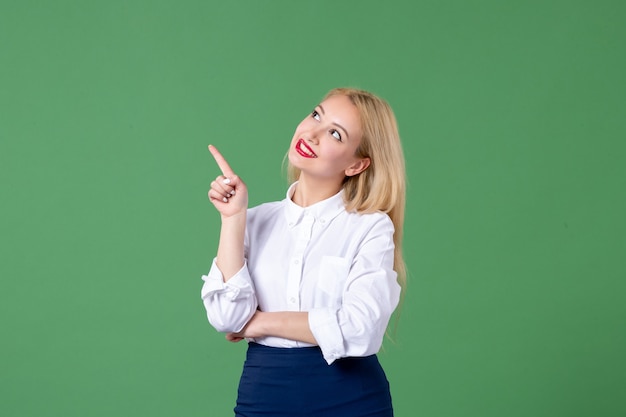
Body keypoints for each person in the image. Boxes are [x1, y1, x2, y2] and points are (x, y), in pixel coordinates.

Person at [201, 87, 406, 417]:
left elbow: (361, 329)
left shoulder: (370, 227)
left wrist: (259, 324)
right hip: (264, 396)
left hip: (351, 399)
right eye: (316, 115)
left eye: (335, 134)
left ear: (357, 164)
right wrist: (234, 218)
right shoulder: (254, 220)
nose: (312, 133)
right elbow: (226, 316)